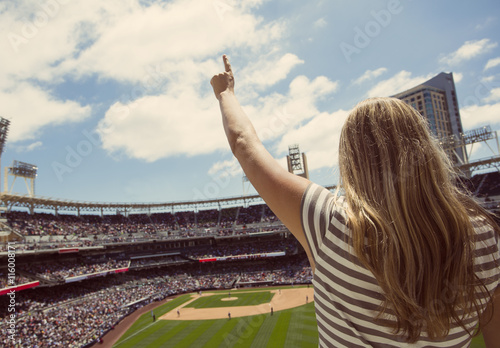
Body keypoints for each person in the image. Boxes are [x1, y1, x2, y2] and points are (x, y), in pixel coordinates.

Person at [211, 55, 500, 347]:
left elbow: (243, 142)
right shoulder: (486, 238)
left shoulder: (328, 223)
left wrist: (226, 94)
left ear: (351, 161)